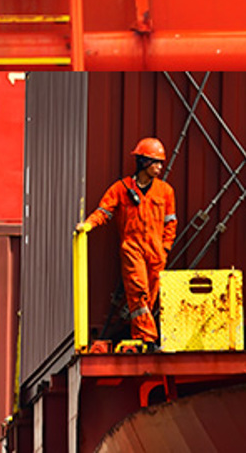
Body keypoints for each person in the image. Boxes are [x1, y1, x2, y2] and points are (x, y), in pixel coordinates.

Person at [76, 137, 178, 351]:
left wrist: (165, 248)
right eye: (155, 162)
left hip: (156, 252)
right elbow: (104, 212)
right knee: (138, 292)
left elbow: (171, 223)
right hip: (133, 249)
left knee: (149, 298)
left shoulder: (165, 191)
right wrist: (87, 226)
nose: (159, 167)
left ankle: (141, 336)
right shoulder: (121, 189)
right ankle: (148, 340)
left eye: (161, 163)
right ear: (143, 162)